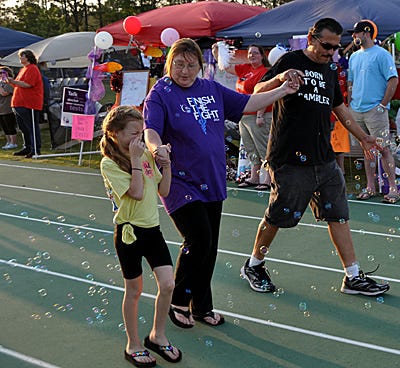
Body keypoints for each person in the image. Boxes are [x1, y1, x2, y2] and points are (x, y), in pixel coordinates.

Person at [143, 38, 299, 328]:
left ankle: (202, 307)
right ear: (169, 64)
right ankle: (178, 300)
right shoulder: (161, 93)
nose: (185, 71)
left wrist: (282, 90)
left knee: (210, 246)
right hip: (179, 181)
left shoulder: (210, 89)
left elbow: (249, 103)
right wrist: (155, 149)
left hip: (211, 179)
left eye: (191, 65)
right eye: (179, 64)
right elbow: (151, 129)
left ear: (200, 67)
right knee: (198, 240)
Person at [240, 18, 390, 297]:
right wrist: (281, 79)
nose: (330, 52)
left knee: (339, 215)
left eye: (335, 48)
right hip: (288, 159)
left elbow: (341, 110)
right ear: (312, 37)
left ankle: (353, 276)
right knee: (277, 216)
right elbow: (258, 91)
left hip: (324, 159)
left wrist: (363, 136)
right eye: (326, 45)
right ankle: (254, 264)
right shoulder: (290, 60)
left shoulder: (330, 69)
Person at [99, 106, 181, 368]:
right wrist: (136, 160)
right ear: (114, 134)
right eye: (133, 132)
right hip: (129, 233)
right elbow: (134, 193)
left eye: (141, 131)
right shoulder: (109, 163)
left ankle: (157, 335)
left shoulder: (144, 154)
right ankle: (133, 344)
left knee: (168, 285)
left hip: (152, 230)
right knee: (134, 291)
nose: (139, 137)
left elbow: (164, 190)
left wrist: (166, 164)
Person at [347, 20, 400, 203]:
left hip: (374, 110)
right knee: (367, 150)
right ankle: (371, 187)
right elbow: (351, 83)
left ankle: (393, 188)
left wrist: (382, 104)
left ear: (366, 33)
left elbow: (393, 80)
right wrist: (349, 105)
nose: (353, 36)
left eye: (356, 33)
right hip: (357, 109)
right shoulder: (354, 57)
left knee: (383, 149)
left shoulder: (382, 55)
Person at [212, 43, 273, 190]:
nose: (252, 55)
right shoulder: (245, 68)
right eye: (250, 53)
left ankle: (269, 178)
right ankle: (254, 176)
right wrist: (217, 53)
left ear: (262, 55)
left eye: (256, 53)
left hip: (259, 115)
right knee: (250, 148)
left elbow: (265, 93)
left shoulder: (265, 71)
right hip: (244, 115)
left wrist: (260, 114)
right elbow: (225, 67)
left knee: (263, 147)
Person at [7, 49, 43, 158]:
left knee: (31, 127)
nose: (20, 59)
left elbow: (28, 84)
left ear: (28, 57)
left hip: (29, 103)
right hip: (19, 102)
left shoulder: (32, 68)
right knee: (23, 127)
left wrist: (13, 81)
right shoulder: (23, 69)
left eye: (22, 56)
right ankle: (27, 147)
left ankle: (35, 149)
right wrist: (10, 81)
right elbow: (19, 84)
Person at [0, 66, 18, 150]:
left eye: (2, 73)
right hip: (1, 109)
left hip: (7, 108)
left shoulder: (9, 83)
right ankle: (8, 142)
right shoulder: (1, 83)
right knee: (4, 127)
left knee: (10, 126)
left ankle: (13, 143)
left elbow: (4, 93)